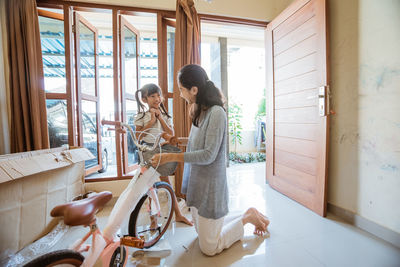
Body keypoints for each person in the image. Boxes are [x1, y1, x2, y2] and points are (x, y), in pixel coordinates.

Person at [150, 64, 270, 256]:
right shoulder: (200, 110)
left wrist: (170, 156)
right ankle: (244, 214)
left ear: (194, 89)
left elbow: (208, 154)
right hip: (198, 182)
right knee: (200, 233)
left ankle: (247, 217)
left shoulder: (216, 113)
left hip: (210, 186)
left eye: (181, 89)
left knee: (209, 248)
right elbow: (199, 143)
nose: (180, 94)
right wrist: (179, 141)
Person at [133, 83, 193, 226]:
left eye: (158, 95)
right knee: (150, 186)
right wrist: (152, 121)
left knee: (167, 184)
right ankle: (153, 220)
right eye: (152, 96)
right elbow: (137, 136)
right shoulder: (141, 115)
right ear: (144, 99)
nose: (157, 98)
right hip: (147, 152)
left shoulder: (165, 115)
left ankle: (178, 214)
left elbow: (171, 134)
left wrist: (159, 118)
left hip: (161, 151)